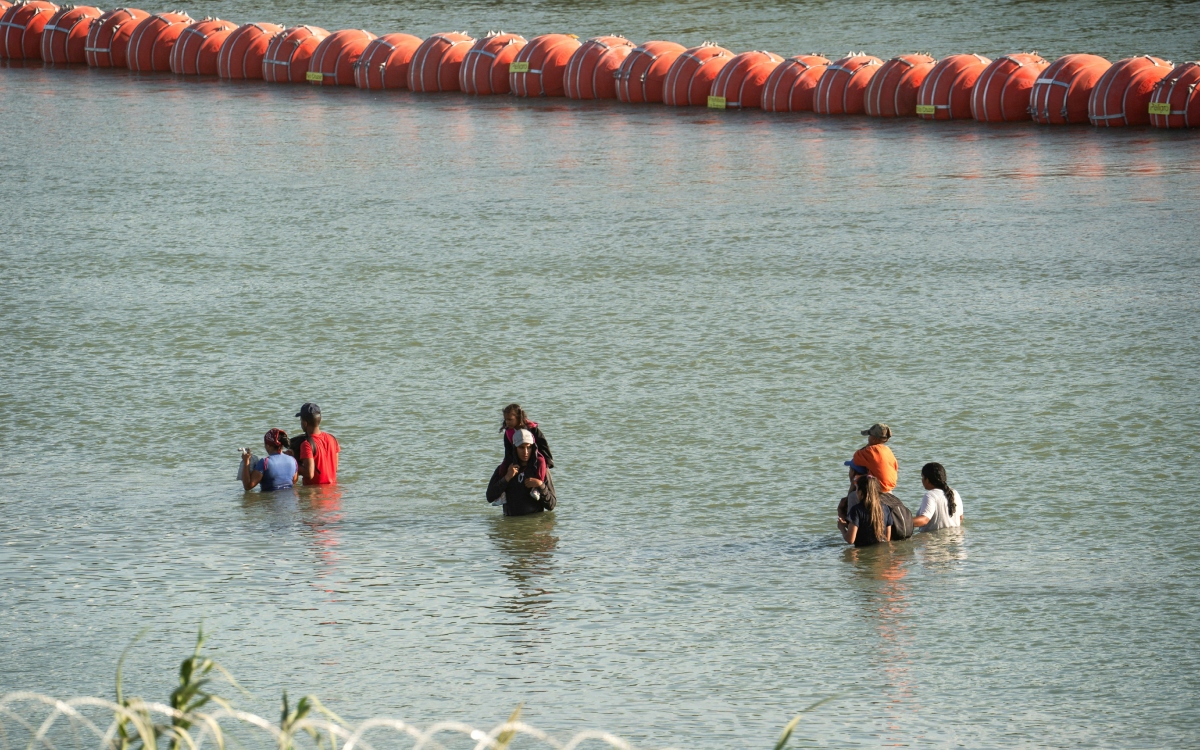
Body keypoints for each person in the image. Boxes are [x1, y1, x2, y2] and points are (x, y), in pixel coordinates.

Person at [487, 428, 550, 516]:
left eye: (529, 447)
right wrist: (506, 478)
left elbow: (551, 505)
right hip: (511, 526)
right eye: (521, 447)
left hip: (534, 526)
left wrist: (540, 485)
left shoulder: (540, 469)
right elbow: (490, 497)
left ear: (533, 448)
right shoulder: (505, 469)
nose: (526, 452)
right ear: (514, 448)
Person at [839, 475, 894, 546]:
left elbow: (850, 540)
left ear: (860, 492)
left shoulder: (856, 510)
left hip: (863, 554)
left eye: (857, 489)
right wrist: (847, 525)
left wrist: (842, 528)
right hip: (882, 554)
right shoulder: (886, 508)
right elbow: (887, 539)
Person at [294, 402, 339, 485]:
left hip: (316, 495)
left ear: (305, 423)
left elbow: (309, 474)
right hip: (334, 494)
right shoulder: (333, 439)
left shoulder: (307, 444)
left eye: (301, 420)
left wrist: (292, 460)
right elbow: (335, 468)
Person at [913, 462, 964, 531]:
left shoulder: (930, 495)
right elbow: (960, 518)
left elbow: (924, 520)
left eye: (922, 477)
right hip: (955, 539)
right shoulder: (954, 493)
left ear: (927, 480)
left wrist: (901, 522)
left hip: (935, 540)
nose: (921, 480)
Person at [501, 403, 554, 468]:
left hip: (533, 457)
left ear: (518, 417)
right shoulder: (508, 433)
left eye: (510, 419)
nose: (507, 422)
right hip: (517, 459)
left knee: (542, 463)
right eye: (506, 419)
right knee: (502, 469)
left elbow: (542, 444)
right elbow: (508, 450)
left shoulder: (531, 428)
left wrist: (548, 460)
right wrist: (510, 464)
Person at [851, 423, 898, 492]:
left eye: (869, 436)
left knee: (855, 474)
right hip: (889, 488)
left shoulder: (871, 450)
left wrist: (868, 446)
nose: (868, 438)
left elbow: (856, 458)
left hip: (879, 487)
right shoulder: (888, 450)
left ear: (874, 439)